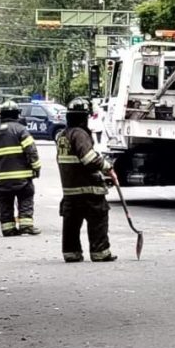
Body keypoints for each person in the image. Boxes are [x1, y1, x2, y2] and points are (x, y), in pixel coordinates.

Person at [57, 97, 117, 263]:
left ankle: (71, 253)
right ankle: (100, 252)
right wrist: (108, 167)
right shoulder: (79, 134)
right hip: (88, 188)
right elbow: (89, 159)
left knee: (71, 222)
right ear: (84, 117)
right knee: (98, 218)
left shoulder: (63, 135)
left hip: (70, 190)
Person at [0, 100, 41, 236]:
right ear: (17, 114)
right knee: (26, 198)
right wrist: (36, 168)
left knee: (5, 203)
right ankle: (26, 226)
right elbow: (31, 151)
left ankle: (8, 228)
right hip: (22, 176)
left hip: (3, 177)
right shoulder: (21, 130)